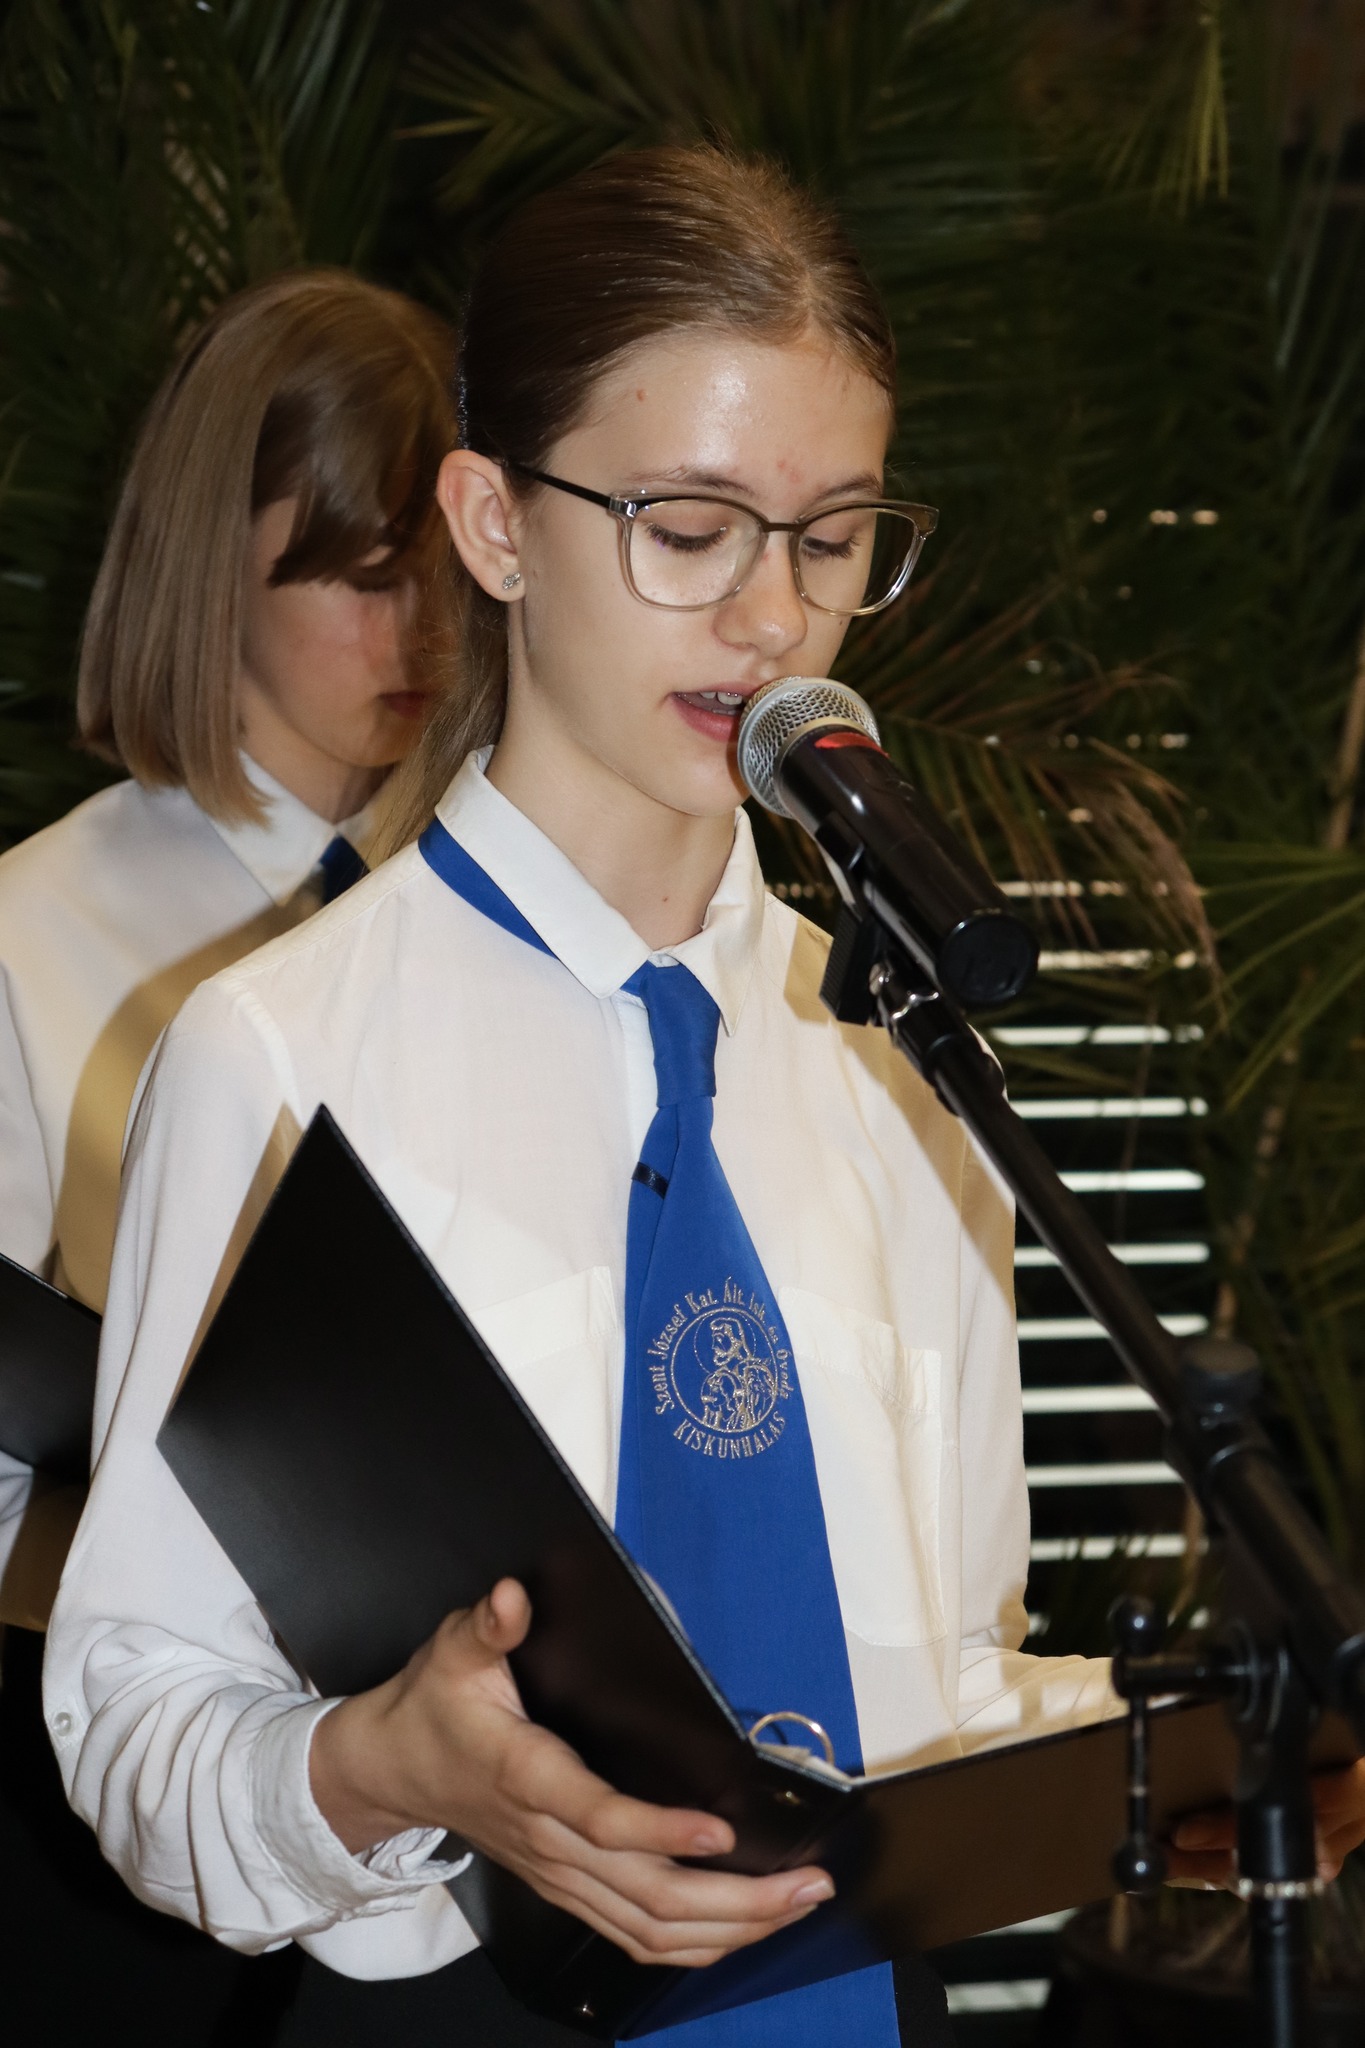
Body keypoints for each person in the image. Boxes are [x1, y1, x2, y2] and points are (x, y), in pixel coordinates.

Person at [42, 147, 1365, 2048]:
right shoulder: (279, 1056)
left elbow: (933, 1682)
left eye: (833, 539)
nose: (773, 621)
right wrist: (384, 1765)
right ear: (494, 524)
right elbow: (138, 1726)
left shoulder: (896, 1060)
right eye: (690, 527)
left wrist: (1211, 1766)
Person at [0, 267, 455, 2041]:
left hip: (454, 1801)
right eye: (366, 573)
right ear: (212, 572)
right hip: (102, 1801)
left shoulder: (497, 915)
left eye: (451, 566)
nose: (425, 629)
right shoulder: (32, 930)